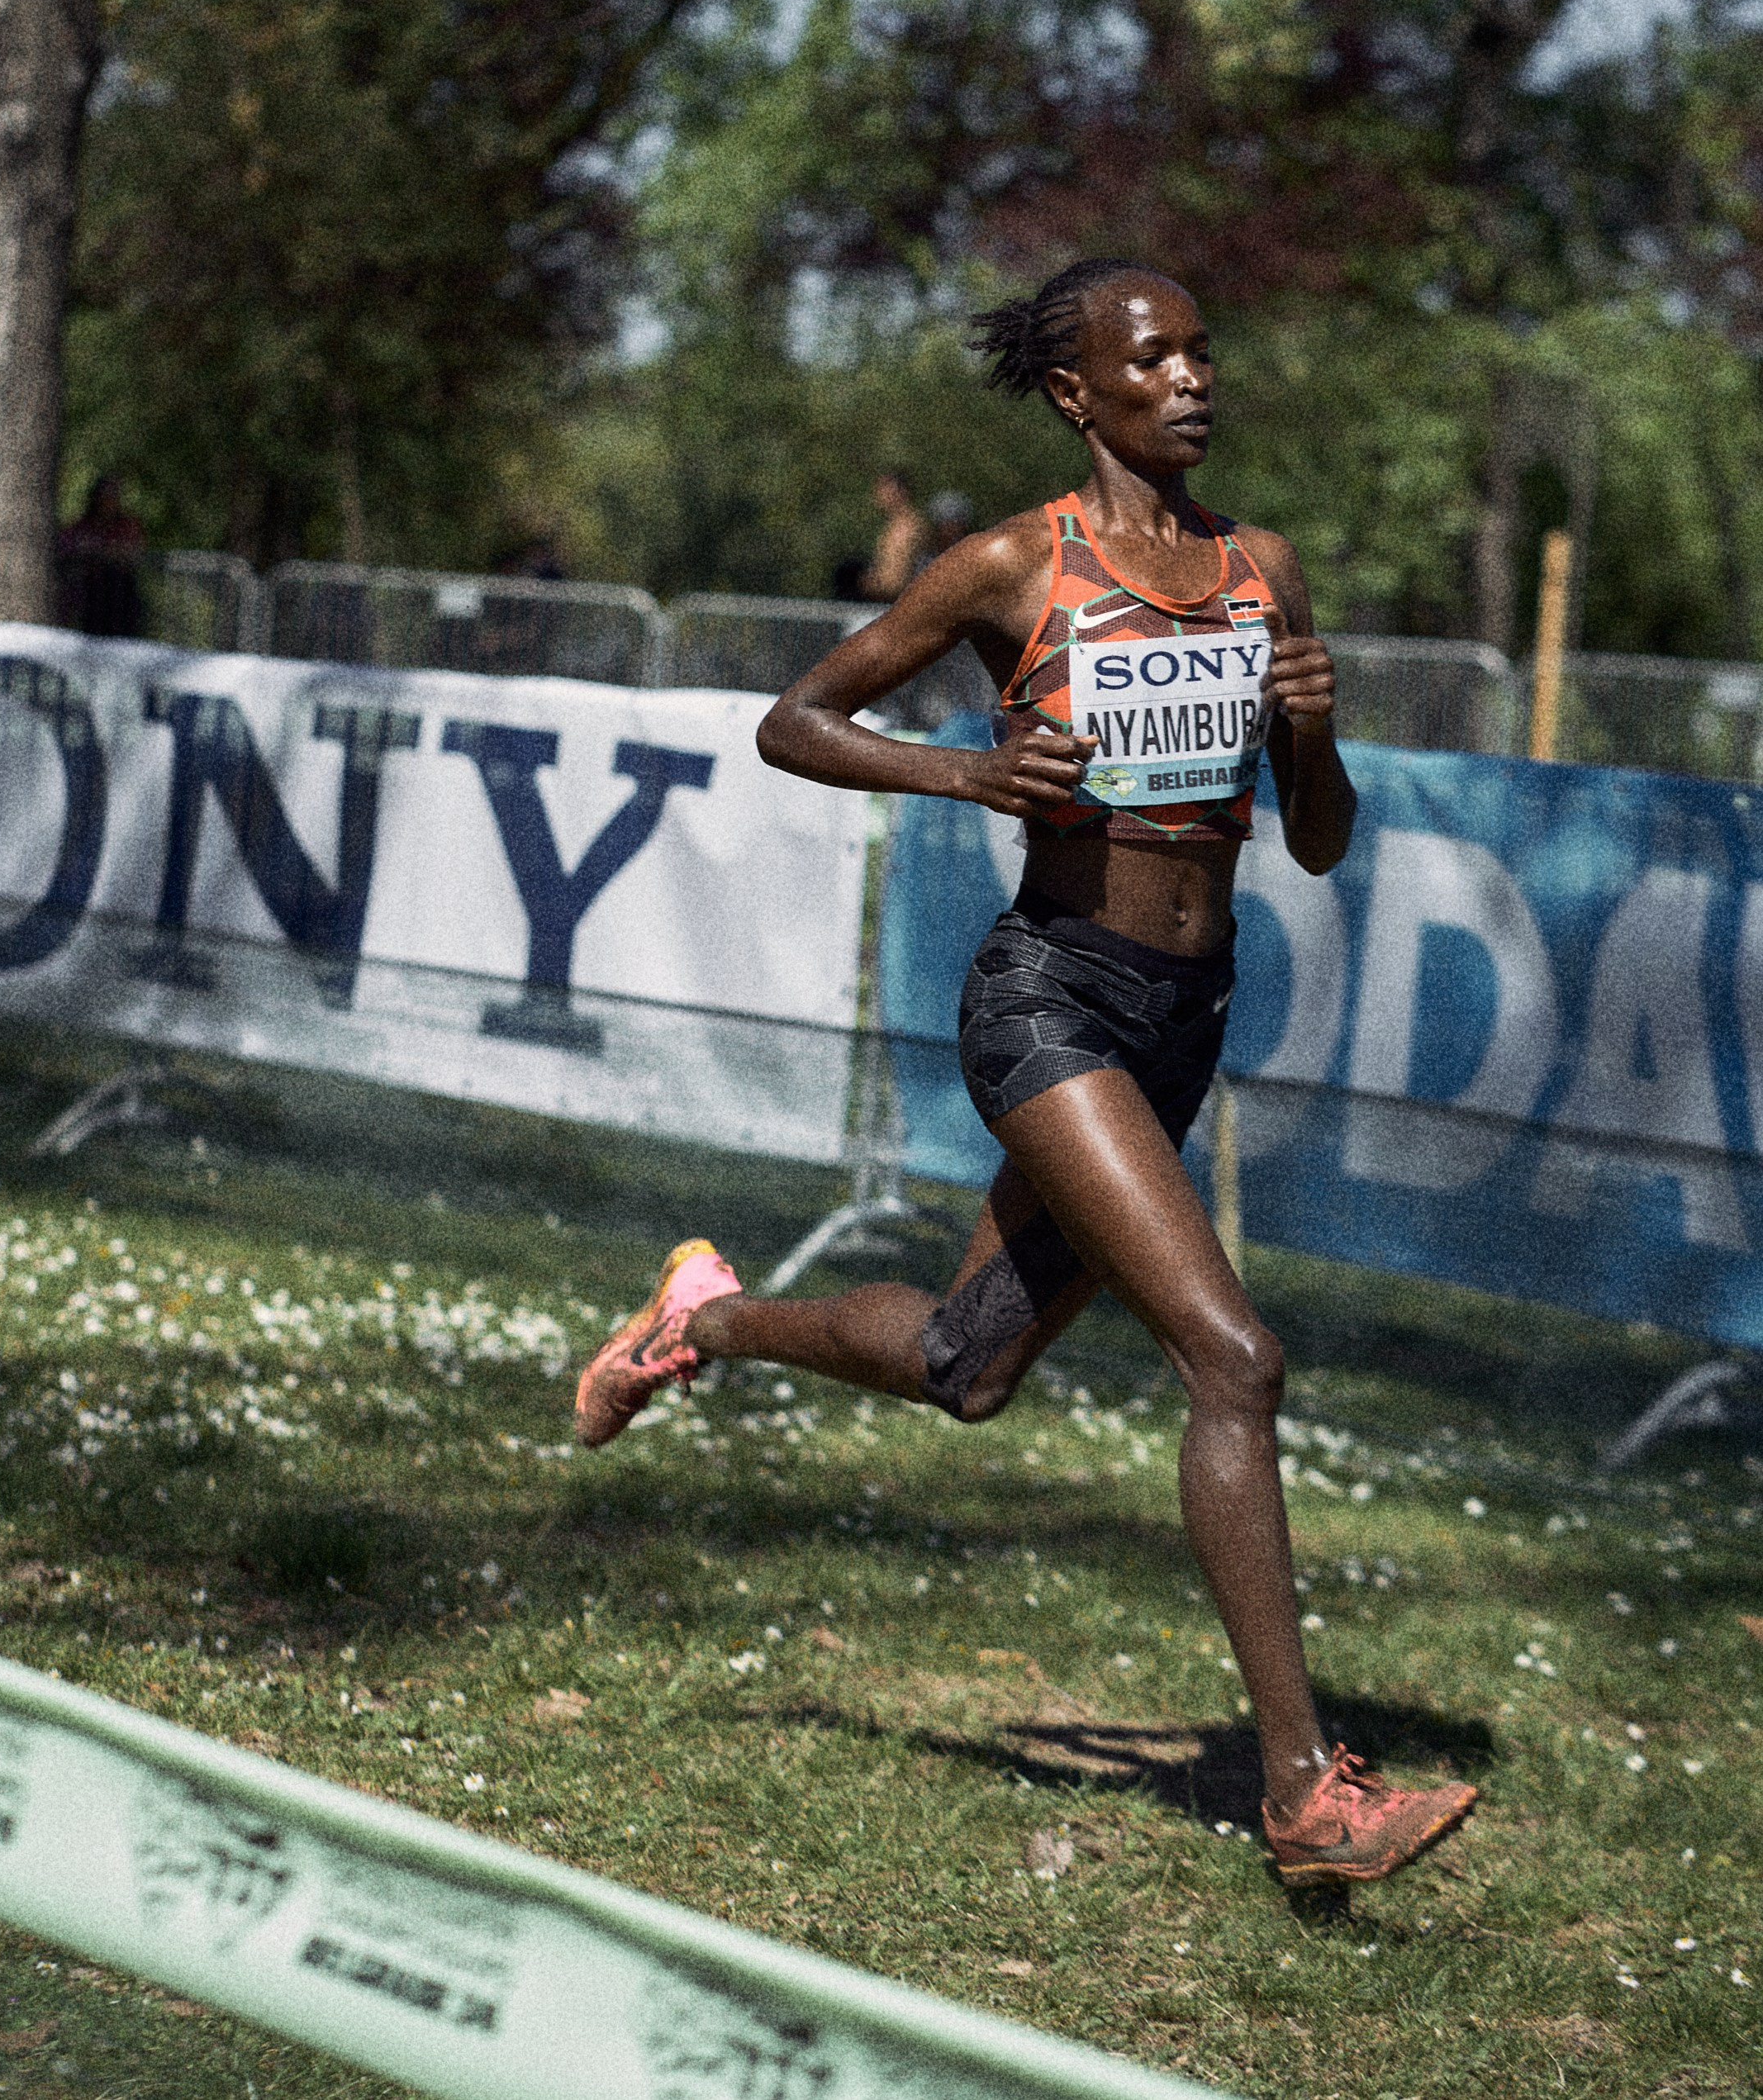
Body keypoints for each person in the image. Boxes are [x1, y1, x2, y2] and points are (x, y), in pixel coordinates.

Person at [573, 257, 1477, 1889]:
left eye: (1204, 349)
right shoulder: (1011, 563)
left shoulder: (1255, 568)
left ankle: (694, 1317)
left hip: (1183, 1013)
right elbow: (795, 718)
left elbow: (1320, 843)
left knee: (961, 1364)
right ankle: (1303, 1799)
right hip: (1047, 1002)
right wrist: (972, 769)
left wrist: (1316, 732)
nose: (1192, 378)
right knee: (1232, 1356)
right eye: (1155, 358)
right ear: (1081, 392)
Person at [55, 473, 146, 639]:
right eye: (105, 495)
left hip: (120, 598)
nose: (109, 500)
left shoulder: (126, 526)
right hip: (89, 599)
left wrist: (99, 550)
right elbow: (65, 544)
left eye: (113, 496)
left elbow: (132, 552)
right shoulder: (85, 525)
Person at [860, 468, 929, 601]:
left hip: (896, 603)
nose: (878, 494)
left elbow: (896, 580)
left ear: (900, 491)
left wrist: (875, 586)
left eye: (885, 487)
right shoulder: (893, 527)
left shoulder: (909, 527)